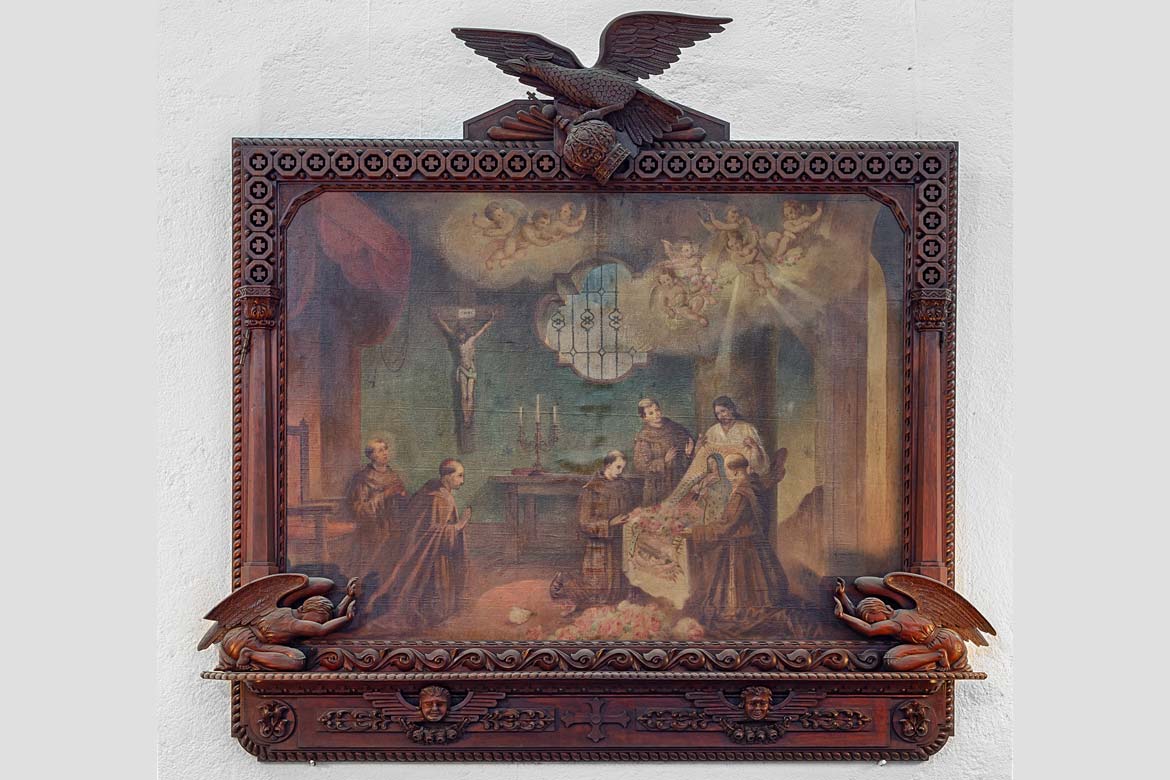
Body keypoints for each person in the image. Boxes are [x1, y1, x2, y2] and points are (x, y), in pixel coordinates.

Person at [682, 453, 787, 634]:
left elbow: (727, 524)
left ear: (736, 471)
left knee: (739, 599)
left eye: (728, 472)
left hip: (743, 548)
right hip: (754, 544)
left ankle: (740, 612)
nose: (728, 477)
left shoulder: (741, 494)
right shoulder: (754, 486)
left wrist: (696, 531)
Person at [370, 459, 471, 631]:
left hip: (437, 552)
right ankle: (428, 617)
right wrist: (459, 525)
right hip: (431, 556)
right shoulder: (438, 499)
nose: (462, 481)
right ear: (447, 477)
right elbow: (432, 533)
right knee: (429, 593)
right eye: (459, 476)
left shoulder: (440, 493)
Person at [576, 450, 638, 605]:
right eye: (618, 467)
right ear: (608, 465)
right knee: (600, 593)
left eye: (623, 468)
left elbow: (632, 510)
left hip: (622, 542)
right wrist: (609, 524)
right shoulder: (592, 489)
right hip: (600, 547)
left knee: (624, 592)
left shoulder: (625, 486)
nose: (621, 471)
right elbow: (584, 523)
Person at [341, 437, 407, 575]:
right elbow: (359, 508)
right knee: (371, 572)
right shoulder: (363, 478)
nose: (385, 453)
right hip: (372, 532)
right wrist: (385, 495)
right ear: (371, 456)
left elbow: (402, 506)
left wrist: (401, 497)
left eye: (386, 449)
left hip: (394, 530)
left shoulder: (394, 476)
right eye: (380, 450)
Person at [631, 398, 695, 505]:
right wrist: (663, 461)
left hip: (678, 479)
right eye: (651, 413)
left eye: (657, 410)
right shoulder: (643, 438)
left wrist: (688, 454)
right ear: (644, 417)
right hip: (658, 486)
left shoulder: (675, 428)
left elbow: (686, 452)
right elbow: (640, 465)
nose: (656, 414)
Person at [698, 395, 769, 475]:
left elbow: (761, 464)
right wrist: (700, 447)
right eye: (718, 413)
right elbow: (705, 458)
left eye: (723, 411)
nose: (721, 416)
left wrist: (754, 445)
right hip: (719, 476)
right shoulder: (712, 431)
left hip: (742, 474)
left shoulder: (747, 428)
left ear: (731, 409)